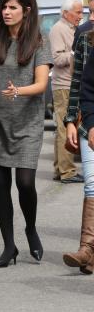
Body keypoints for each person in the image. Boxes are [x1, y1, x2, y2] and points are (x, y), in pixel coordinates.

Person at [0, 0, 51, 267]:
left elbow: (42, 84)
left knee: (24, 183)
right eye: (4, 8)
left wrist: (18, 91)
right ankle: (9, 246)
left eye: (12, 8)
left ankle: (30, 228)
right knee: (0, 185)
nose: (6, 12)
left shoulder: (38, 41)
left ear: (26, 11)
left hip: (27, 123)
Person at [64, 18, 94, 274]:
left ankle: (89, 253)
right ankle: (86, 248)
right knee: (92, 183)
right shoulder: (87, 38)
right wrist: (71, 120)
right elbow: (79, 84)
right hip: (90, 123)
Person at [49, 0, 84, 183]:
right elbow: (57, 58)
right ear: (66, 13)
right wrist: (74, 53)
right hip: (64, 85)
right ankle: (67, 171)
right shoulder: (59, 29)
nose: (81, 15)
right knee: (66, 128)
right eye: (77, 12)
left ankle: (60, 169)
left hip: (69, 84)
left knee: (64, 127)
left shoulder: (71, 29)